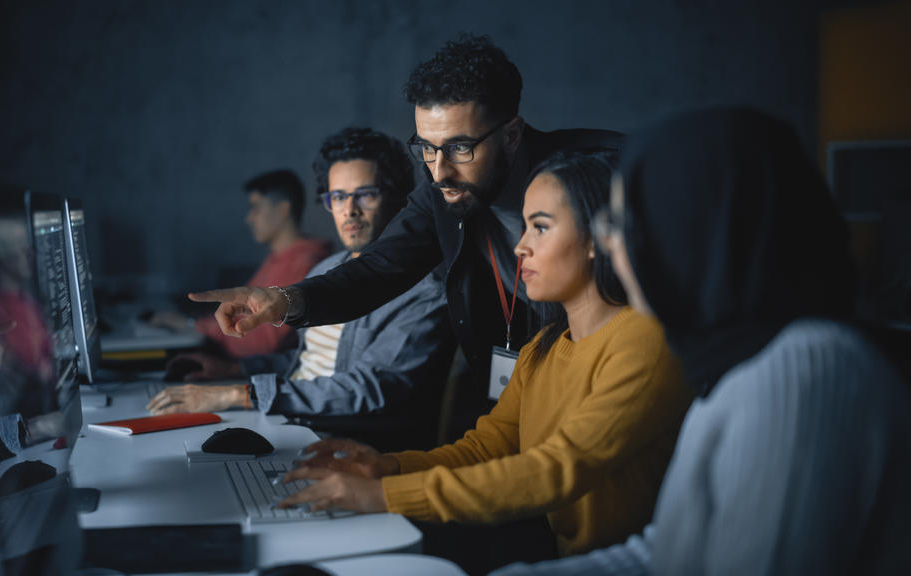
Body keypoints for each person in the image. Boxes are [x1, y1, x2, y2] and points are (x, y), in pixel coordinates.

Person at [492, 108, 911, 576]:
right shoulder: (738, 363)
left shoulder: (800, 371)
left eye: (623, 224)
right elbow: (669, 552)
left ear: (691, 230)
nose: (612, 246)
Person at [275, 151, 692, 574]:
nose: (521, 246)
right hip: (564, 556)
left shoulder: (646, 342)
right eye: (526, 225)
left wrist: (385, 496)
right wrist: (387, 466)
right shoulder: (544, 345)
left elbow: (555, 469)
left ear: (597, 239)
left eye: (541, 227)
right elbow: (487, 448)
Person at [188, 35, 622, 431]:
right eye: (427, 149)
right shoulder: (442, 193)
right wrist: (282, 300)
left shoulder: (601, 174)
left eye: (459, 148)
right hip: (530, 386)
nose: (439, 171)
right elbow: (377, 270)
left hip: (619, 373)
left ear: (512, 134)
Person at [148, 128, 455, 446]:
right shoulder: (327, 271)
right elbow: (308, 364)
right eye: (337, 197)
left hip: (339, 443)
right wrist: (231, 369)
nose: (349, 210)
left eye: (365, 194)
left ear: (397, 199)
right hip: (288, 421)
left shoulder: (425, 291)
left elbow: (369, 390)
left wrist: (237, 394)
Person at [164, 169, 331, 381]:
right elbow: (242, 315)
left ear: (282, 210)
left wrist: (192, 325)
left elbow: (260, 343)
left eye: (255, 208)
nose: (249, 218)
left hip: (259, 373)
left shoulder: (302, 262)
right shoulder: (279, 257)